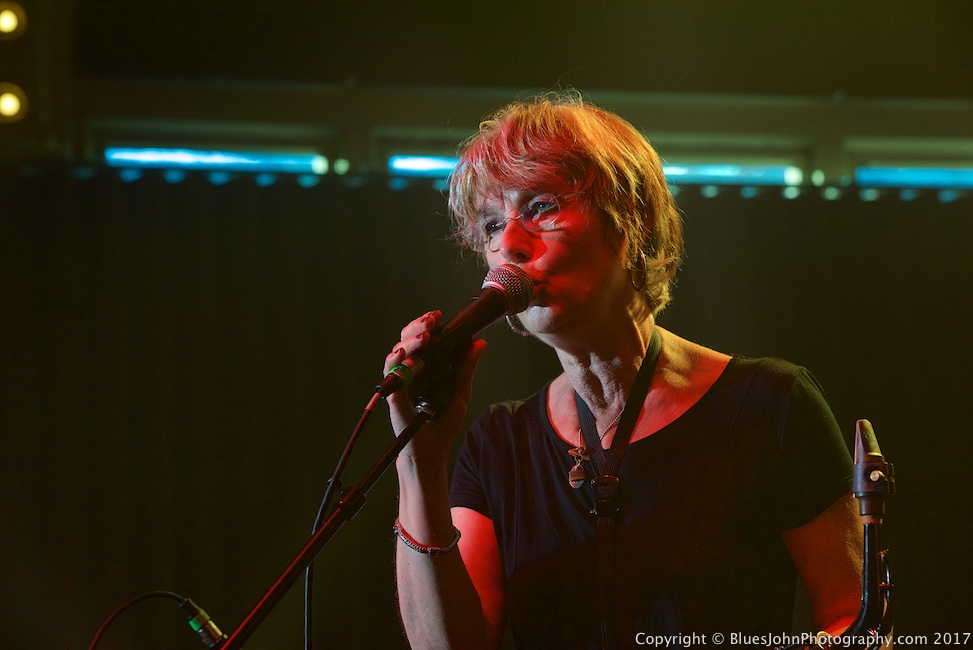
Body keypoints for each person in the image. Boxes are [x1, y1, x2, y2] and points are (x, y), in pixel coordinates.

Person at [383, 92, 863, 649]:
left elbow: (855, 619)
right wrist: (418, 462)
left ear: (630, 220)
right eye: (492, 225)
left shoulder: (771, 405)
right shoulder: (500, 444)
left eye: (540, 206)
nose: (508, 244)